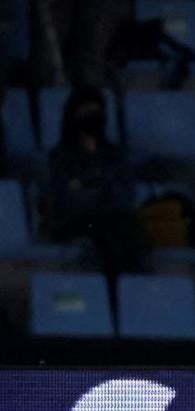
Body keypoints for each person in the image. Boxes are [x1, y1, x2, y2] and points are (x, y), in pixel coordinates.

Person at [45, 86, 146, 275]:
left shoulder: (115, 154)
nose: (93, 116)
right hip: (75, 222)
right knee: (108, 231)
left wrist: (88, 185)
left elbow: (126, 195)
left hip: (112, 219)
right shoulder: (60, 157)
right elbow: (69, 200)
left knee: (124, 230)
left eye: (97, 111)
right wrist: (104, 188)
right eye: (87, 111)